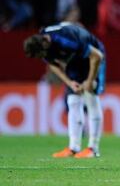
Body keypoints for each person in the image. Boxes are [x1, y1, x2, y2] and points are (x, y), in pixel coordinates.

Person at [23, 22, 105, 158]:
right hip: (75, 61)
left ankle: (93, 148)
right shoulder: (43, 42)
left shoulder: (67, 41)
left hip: (94, 57)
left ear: (45, 44)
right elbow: (52, 63)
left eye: (41, 55)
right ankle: (73, 147)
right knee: (72, 100)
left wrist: (90, 80)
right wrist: (69, 82)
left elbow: (96, 56)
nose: (42, 58)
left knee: (91, 98)